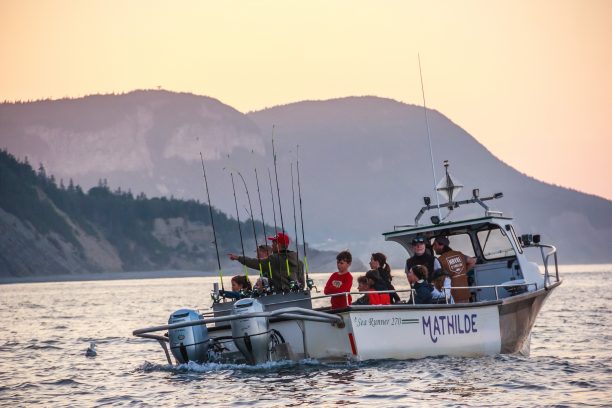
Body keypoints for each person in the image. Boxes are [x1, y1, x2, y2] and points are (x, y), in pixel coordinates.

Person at [229, 232, 304, 292]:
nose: (271, 245)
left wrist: (238, 258)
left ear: (278, 245)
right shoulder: (299, 262)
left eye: (273, 243)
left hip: (280, 298)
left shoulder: (274, 259)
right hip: (296, 296)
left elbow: (255, 263)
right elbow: (302, 283)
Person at [432, 236, 476, 303]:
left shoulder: (439, 260)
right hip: (465, 293)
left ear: (441, 245)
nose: (434, 248)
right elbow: (472, 261)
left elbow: (437, 278)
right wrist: (463, 272)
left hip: (453, 296)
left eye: (435, 245)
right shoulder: (459, 254)